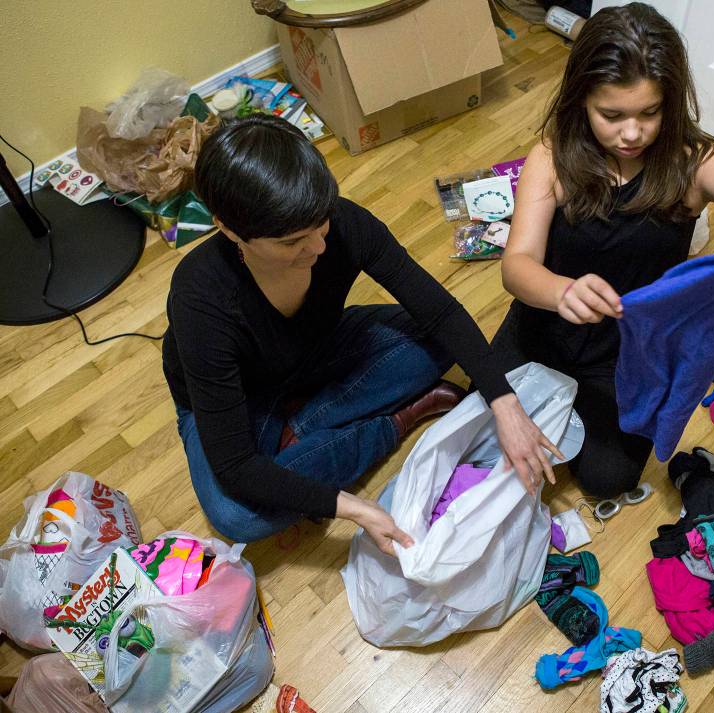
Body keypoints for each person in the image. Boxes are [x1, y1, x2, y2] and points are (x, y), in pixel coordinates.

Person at [163, 114, 561, 553]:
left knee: (436, 340)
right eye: (293, 242)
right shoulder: (200, 298)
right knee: (236, 514)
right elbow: (236, 466)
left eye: (320, 223)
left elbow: (439, 312)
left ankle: (299, 430)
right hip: (241, 397)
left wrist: (505, 404)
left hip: (313, 350)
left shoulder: (342, 223)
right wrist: (354, 508)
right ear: (229, 229)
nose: (318, 247)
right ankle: (390, 423)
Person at [494, 2, 714, 499]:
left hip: (627, 352)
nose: (632, 133)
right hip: (542, 328)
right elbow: (516, 266)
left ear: (671, 101)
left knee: (608, 480)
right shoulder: (552, 157)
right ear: (581, 100)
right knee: (487, 423)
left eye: (650, 112)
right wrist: (561, 292)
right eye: (611, 115)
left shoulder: (692, 163)